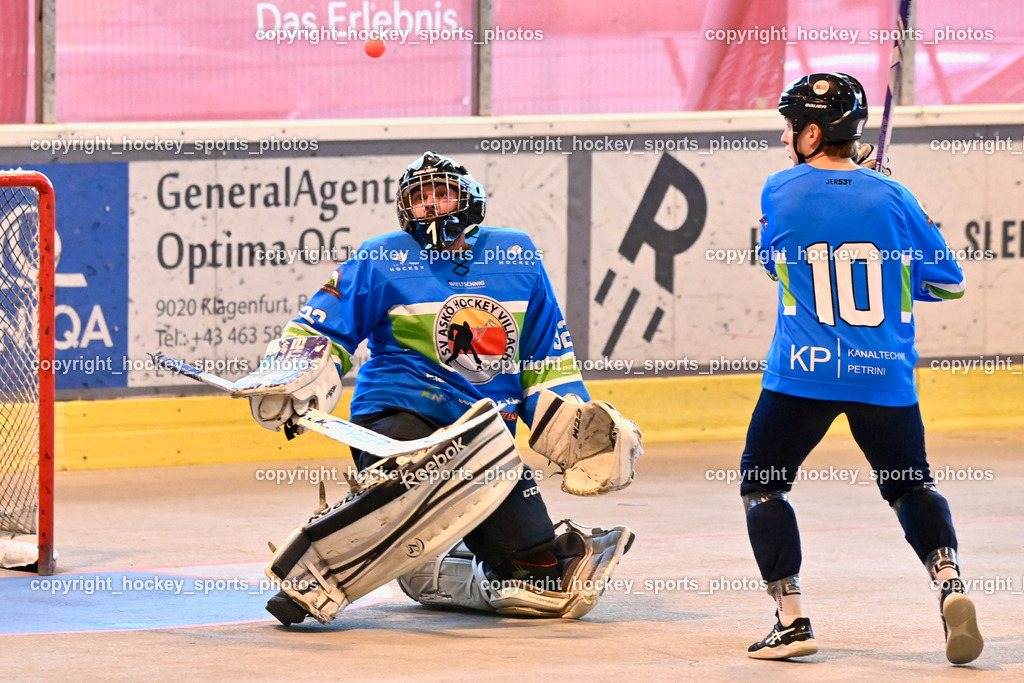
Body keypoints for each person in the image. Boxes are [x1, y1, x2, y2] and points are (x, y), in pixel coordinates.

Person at [248, 151, 640, 625]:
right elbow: (324, 331)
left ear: (469, 199)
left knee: (537, 578)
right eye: (419, 198)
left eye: (442, 192)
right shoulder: (381, 256)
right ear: (404, 209)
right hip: (400, 412)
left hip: (488, 439)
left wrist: (575, 425)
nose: (431, 205)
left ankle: (435, 569)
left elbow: (545, 358)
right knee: (418, 473)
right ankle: (322, 565)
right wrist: (294, 379)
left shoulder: (516, 254)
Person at [741, 73, 982, 664]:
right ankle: (949, 581)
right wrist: (889, 211)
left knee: (763, 484)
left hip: (805, 370)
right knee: (910, 486)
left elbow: (775, 266)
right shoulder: (895, 198)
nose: (784, 135)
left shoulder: (779, 190)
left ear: (815, 131)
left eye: (791, 125)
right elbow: (949, 285)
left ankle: (791, 619)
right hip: (884, 375)